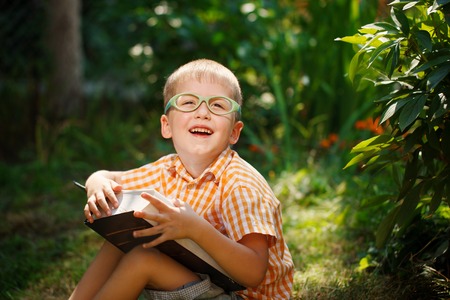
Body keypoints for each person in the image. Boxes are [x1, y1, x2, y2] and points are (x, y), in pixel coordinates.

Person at [69, 59, 294, 300]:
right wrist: (97, 184)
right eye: (188, 102)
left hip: (241, 296)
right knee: (125, 236)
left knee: (143, 258)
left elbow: (253, 274)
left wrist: (195, 228)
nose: (203, 112)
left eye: (218, 105)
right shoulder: (168, 169)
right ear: (167, 126)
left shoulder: (240, 184)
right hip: (203, 281)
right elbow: (109, 177)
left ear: (234, 132)